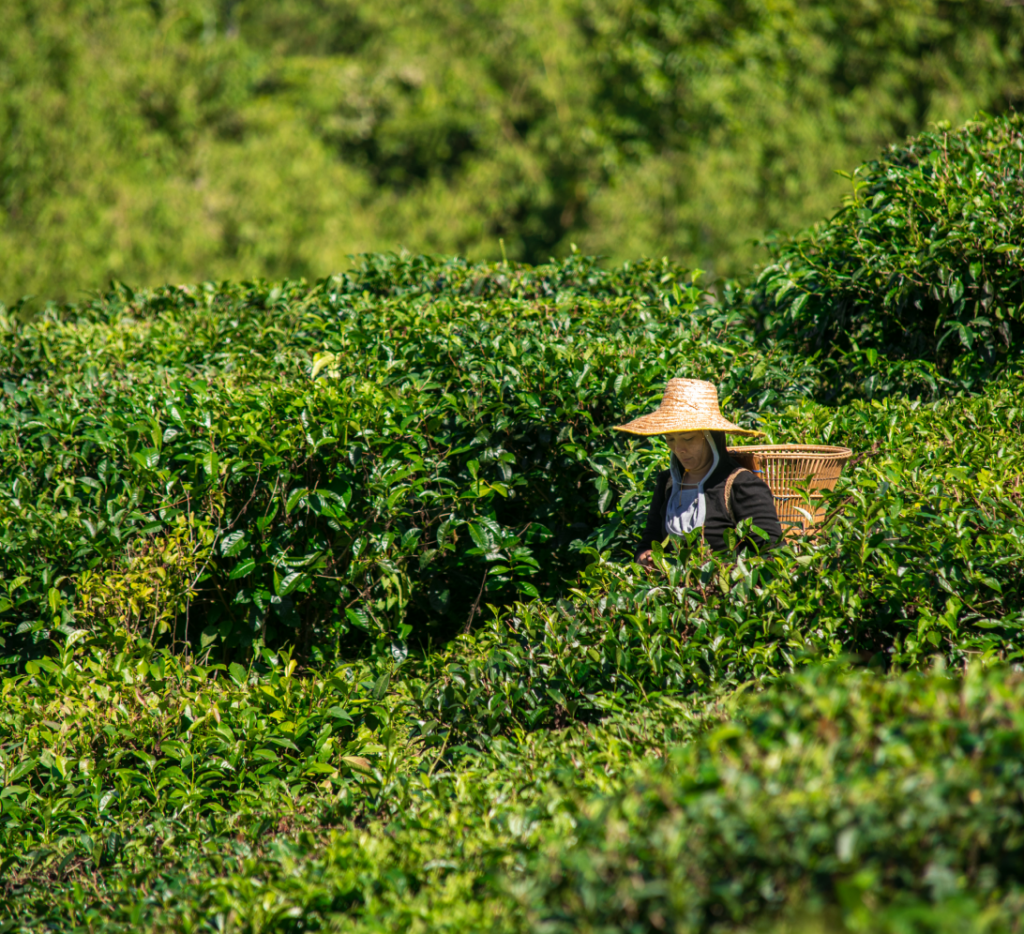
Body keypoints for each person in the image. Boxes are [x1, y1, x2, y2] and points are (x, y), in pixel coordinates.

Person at [616, 378, 782, 565]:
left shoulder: (741, 485)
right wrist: (645, 557)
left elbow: (772, 553)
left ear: (711, 437)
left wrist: (721, 573)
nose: (678, 449)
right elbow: (650, 541)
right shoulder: (667, 484)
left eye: (687, 438)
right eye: (670, 439)